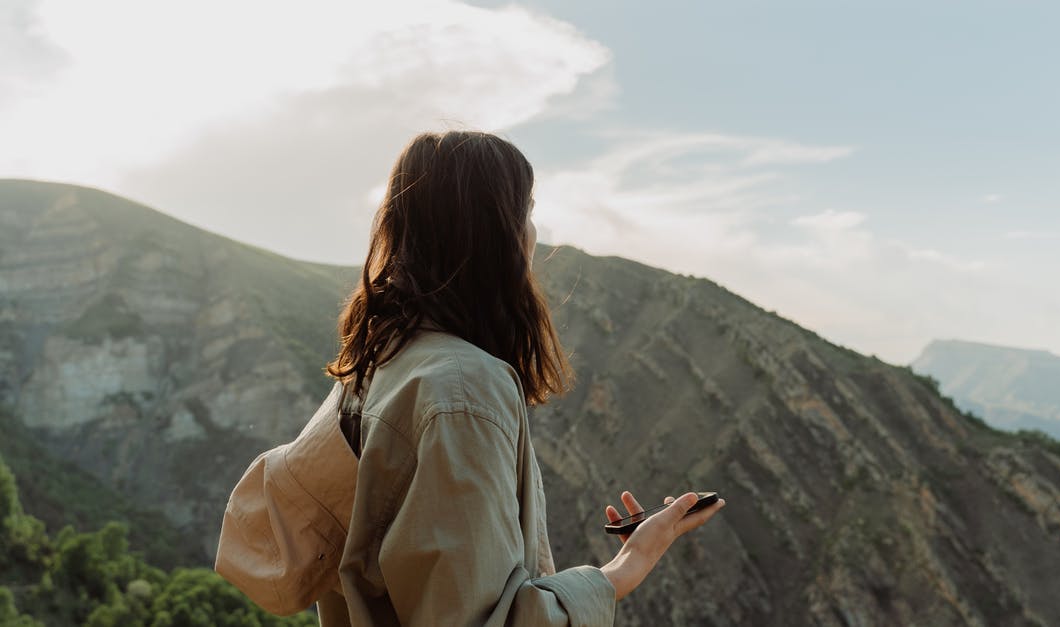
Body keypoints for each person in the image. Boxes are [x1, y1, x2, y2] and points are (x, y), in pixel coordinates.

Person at [213, 130, 725, 626]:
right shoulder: (463, 389)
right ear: (494, 234)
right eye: (524, 212)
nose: (533, 232)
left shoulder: (381, 363)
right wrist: (627, 565)